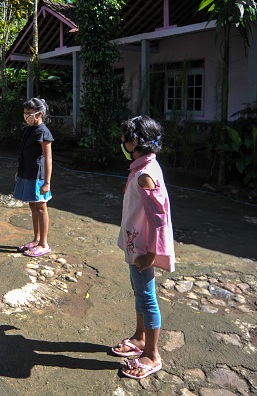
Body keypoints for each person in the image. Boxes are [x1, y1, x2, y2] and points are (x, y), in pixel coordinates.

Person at [111, 115, 175, 380]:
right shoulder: (145, 166)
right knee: (139, 292)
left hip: (143, 248)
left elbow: (158, 219)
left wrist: (151, 254)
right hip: (135, 243)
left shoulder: (144, 175)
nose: (122, 142)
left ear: (135, 142)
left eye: (125, 138)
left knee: (147, 297)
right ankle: (139, 337)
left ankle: (152, 354)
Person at [13, 98, 53, 257]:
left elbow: (48, 159)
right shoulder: (27, 129)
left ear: (39, 114)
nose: (26, 116)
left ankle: (44, 244)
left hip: (39, 177)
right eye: (24, 113)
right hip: (27, 173)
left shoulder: (44, 132)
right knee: (33, 206)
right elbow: (23, 153)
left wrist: (47, 182)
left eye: (29, 113)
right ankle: (36, 239)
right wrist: (19, 171)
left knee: (41, 207)